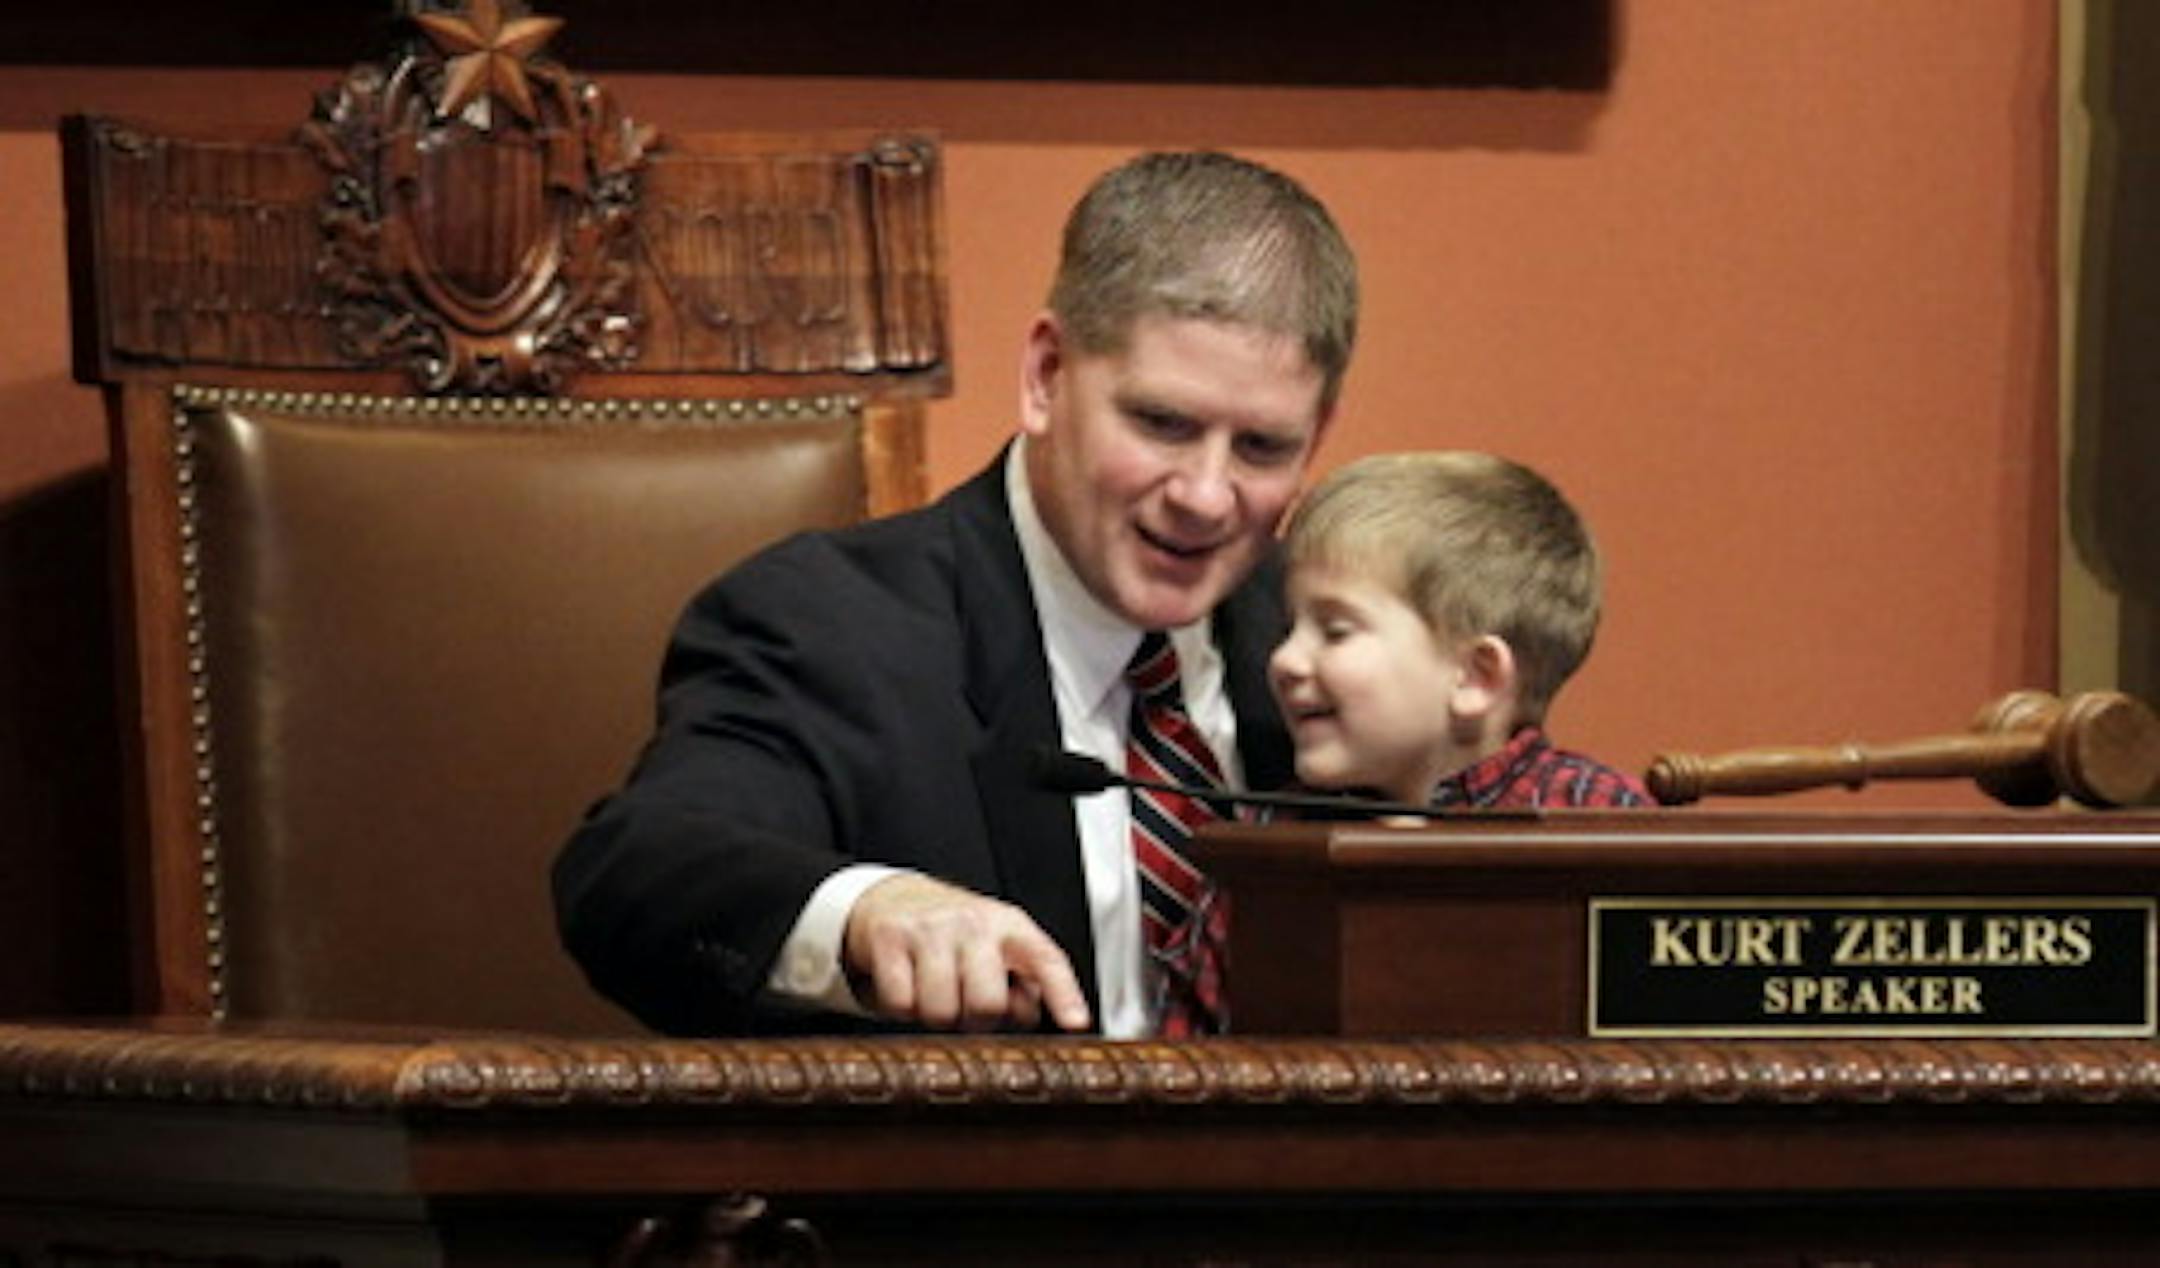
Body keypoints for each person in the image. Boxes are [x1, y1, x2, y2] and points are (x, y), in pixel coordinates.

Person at [553, 151, 1358, 1038]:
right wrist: (867, 909)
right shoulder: (827, 626)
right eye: (1162, 424)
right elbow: (635, 872)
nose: (1207, 496)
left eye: (1262, 449)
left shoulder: (1350, 639)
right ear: (1047, 376)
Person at [1268, 451, 1649, 809]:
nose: (1284, 659)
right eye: (1289, 627)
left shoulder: (1590, 815)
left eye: (1336, 632)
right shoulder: (1279, 830)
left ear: (1474, 676)